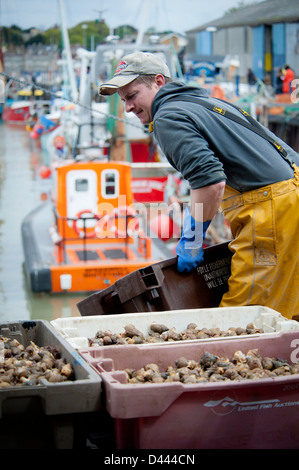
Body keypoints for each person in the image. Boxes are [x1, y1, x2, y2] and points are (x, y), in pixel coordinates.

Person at [99, 51, 299, 319]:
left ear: (158, 81)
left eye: (132, 96)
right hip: (290, 198)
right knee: (287, 308)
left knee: (243, 318)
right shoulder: (207, 103)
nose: (128, 108)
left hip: (271, 211)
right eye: (123, 100)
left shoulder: (168, 117)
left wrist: (192, 238)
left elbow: (211, 182)